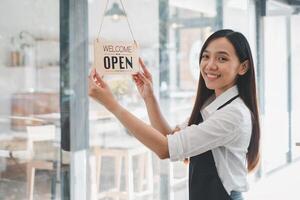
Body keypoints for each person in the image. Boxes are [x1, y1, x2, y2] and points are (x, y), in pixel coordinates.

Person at [88, 29, 260, 200]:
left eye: (222, 58)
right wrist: (149, 97)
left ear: (243, 67)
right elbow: (169, 137)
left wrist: (113, 106)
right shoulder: (212, 104)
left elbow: (164, 149)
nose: (210, 65)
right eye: (206, 56)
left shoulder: (234, 114)